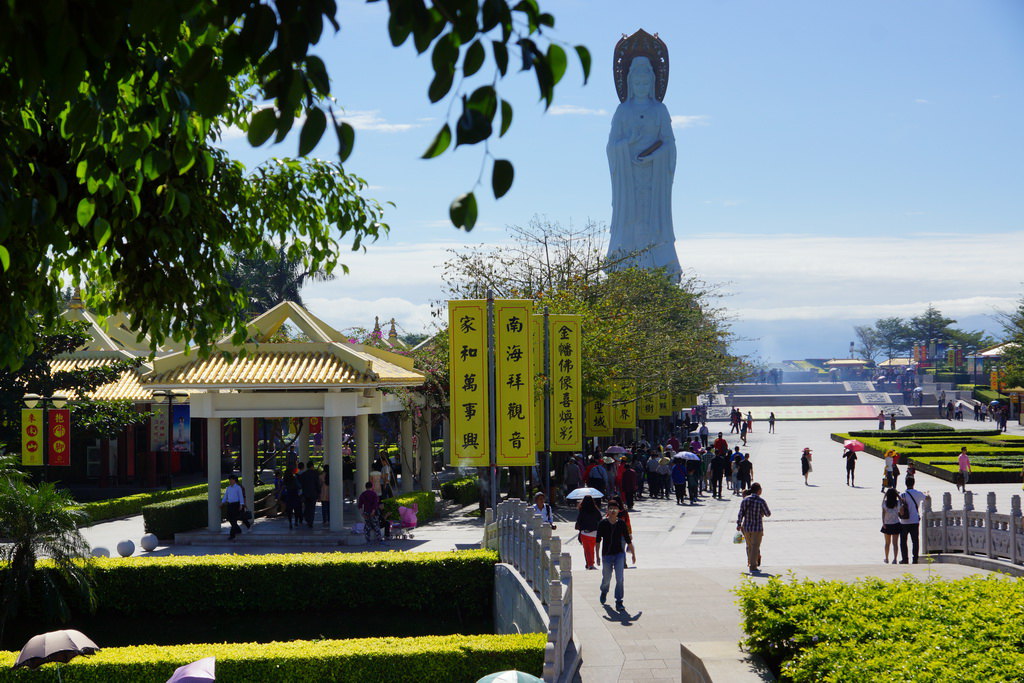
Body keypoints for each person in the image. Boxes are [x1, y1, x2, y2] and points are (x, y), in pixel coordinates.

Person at [595, 504, 636, 612]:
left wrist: (633, 554)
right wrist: (597, 556)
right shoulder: (602, 523)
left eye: (615, 509)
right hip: (607, 555)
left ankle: (619, 601)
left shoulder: (621, 523)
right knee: (606, 578)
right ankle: (604, 591)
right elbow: (598, 540)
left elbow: (628, 539)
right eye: (611, 509)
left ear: (618, 511)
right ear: (607, 510)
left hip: (619, 554)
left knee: (620, 578)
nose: (613, 511)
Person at [736, 482, 771, 573]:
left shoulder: (745, 500)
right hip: (757, 528)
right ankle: (753, 565)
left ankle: (750, 561)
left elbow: (741, 513)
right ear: (759, 490)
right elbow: (768, 514)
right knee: (755, 546)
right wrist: (761, 513)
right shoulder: (761, 501)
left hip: (746, 527)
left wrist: (739, 524)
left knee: (749, 546)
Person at [898, 477, 926, 564]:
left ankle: (905, 559)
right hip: (914, 520)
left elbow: (899, 508)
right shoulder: (918, 493)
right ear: (913, 483)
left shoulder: (902, 495)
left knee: (903, 541)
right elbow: (926, 498)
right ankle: (915, 559)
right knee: (915, 540)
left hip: (904, 522)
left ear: (905, 484)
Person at [575, 495, 602, 570]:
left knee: (587, 549)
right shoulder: (595, 510)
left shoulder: (582, 510)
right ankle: (591, 563)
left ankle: (589, 564)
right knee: (592, 549)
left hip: (584, 533)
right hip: (594, 533)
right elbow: (600, 519)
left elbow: (579, 521)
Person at [221, 474, 247, 540]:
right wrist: (222, 503)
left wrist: (241, 505)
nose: (230, 481)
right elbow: (225, 496)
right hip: (230, 505)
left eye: (231, 479)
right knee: (229, 518)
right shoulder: (228, 488)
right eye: (229, 480)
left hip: (236, 505)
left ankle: (232, 535)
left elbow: (241, 496)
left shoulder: (238, 487)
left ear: (234, 480)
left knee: (234, 519)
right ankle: (238, 529)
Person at [881, 487, 901, 563]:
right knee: (895, 543)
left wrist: (883, 523)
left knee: (887, 543)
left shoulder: (884, 503)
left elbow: (883, 513)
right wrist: (898, 496)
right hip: (896, 523)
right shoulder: (898, 503)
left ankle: (886, 558)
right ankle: (895, 559)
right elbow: (900, 511)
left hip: (887, 524)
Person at [298, 461, 320, 528]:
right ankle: (310, 521)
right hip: (313, 493)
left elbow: (300, 484)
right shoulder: (315, 473)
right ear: (312, 466)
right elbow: (317, 484)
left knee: (307, 507)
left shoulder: (304, 474)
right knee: (312, 508)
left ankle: (307, 518)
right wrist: (319, 493)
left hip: (306, 493)